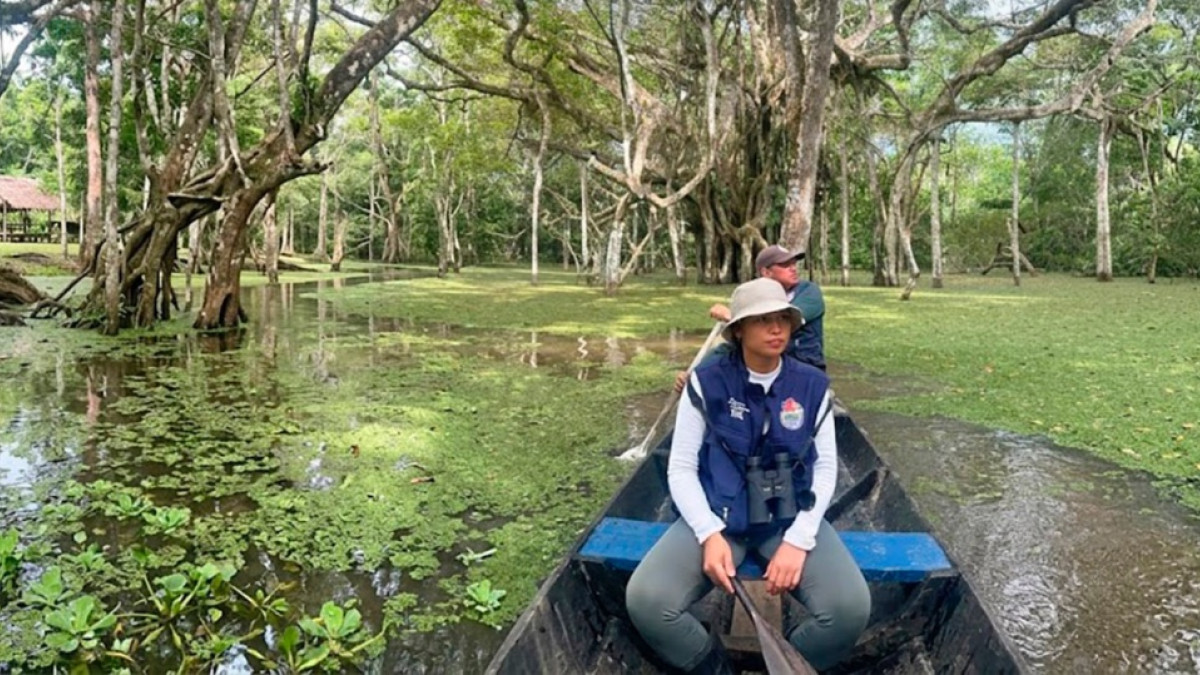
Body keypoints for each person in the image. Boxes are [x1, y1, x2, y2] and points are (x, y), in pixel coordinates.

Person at [627, 278, 869, 674]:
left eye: (783, 319)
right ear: (738, 330)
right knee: (648, 600)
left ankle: (790, 663)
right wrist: (708, 533)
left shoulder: (812, 387)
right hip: (721, 517)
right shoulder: (706, 384)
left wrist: (799, 539)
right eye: (762, 320)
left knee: (849, 610)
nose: (776, 329)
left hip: (790, 516)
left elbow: (826, 469)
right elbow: (682, 467)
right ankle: (716, 668)